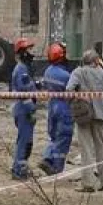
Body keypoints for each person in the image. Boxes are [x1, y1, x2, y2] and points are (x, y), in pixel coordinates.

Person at [65, 49, 103, 192]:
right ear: (97, 60)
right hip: (102, 114)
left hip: (84, 114)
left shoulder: (78, 72)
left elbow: (69, 90)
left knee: (86, 149)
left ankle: (88, 183)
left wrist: (80, 96)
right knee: (102, 147)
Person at [38, 41, 74, 176]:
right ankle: (57, 168)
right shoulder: (66, 76)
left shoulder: (48, 71)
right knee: (63, 137)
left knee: (53, 136)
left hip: (52, 106)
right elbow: (73, 91)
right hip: (64, 107)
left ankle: (47, 157)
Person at [9, 38, 39, 179]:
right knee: (24, 142)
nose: (32, 53)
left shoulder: (24, 69)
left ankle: (21, 167)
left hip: (24, 110)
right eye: (29, 50)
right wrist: (31, 109)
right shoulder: (21, 70)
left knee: (26, 142)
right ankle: (19, 171)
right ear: (23, 52)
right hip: (23, 111)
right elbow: (24, 92)